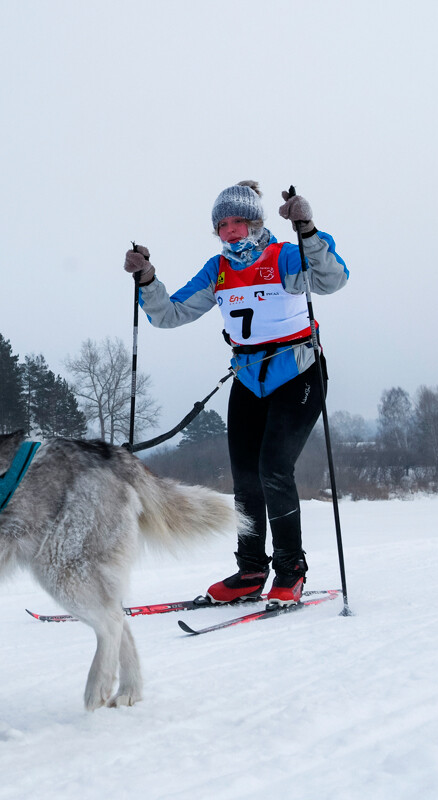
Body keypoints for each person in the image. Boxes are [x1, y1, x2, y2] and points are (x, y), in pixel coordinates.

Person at [123, 181, 348, 606]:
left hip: (298, 372)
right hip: (248, 376)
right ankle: (250, 571)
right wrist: (147, 279)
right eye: (222, 224)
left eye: (237, 221)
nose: (230, 230)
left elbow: (331, 280)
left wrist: (308, 229)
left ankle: (290, 570)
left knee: (273, 468)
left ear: (255, 222)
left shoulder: (286, 255)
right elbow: (168, 314)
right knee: (245, 478)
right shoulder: (217, 270)